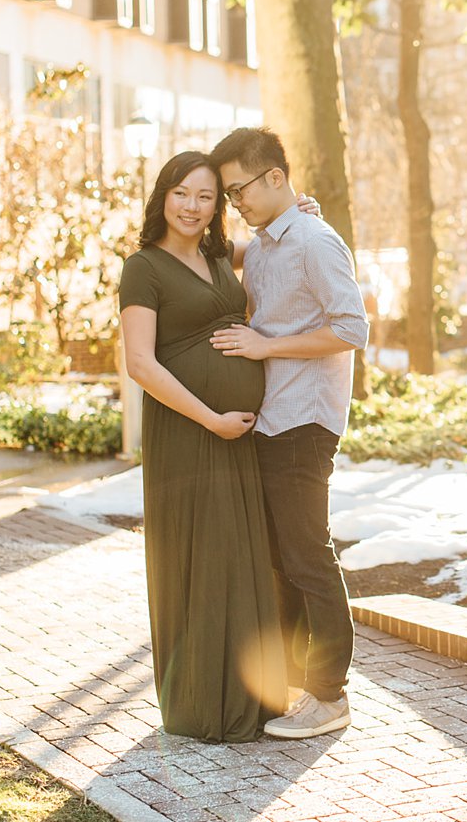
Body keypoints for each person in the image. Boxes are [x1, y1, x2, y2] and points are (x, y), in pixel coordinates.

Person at [118, 151, 287, 743]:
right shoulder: (143, 268)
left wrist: (295, 212)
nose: (193, 207)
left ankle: (249, 695)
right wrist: (211, 418)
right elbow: (140, 362)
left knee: (238, 555)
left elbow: (269, 247)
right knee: (199, 555)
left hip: (231, 430)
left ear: (219, 205)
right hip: (189, 431)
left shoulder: (219, 254)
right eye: (182, 194)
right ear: (163, 196)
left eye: (207, 196)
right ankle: (198, 703)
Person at [206, 128, 370, 740]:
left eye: (238, 189)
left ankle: (331, 696)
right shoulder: (273, 239)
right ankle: (305, 684)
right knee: (283, 558)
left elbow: (353, 328)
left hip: (304, 420)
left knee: (307, 554)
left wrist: (266, 346)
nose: (234, 203)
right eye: (227, 195)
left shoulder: (313, 240)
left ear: (275, 176)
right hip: (273, 417)